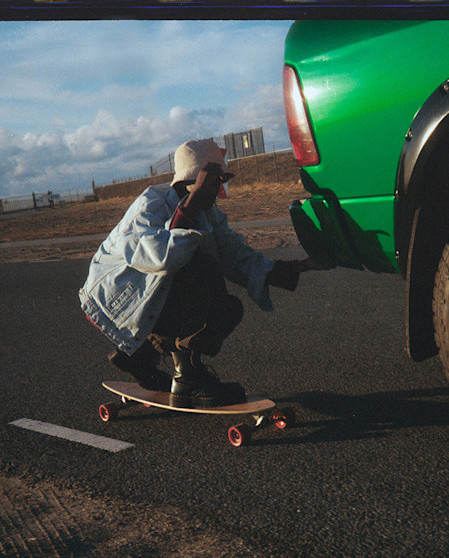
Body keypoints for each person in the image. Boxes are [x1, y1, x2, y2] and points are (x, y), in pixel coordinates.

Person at [80, 138, 326, 408]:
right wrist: (194, 199)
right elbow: (160, 257)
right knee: (203, 273)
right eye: (214, 181)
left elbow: (236, 256)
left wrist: (303, 265)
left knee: (227, 306)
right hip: (116, 300)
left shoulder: (208, 213)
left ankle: (140, 355)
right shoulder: (151, 204)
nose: (218, 190)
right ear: (192, 180)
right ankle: (187, 379)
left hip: (147, 298)